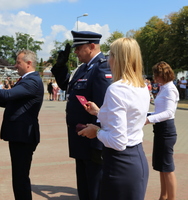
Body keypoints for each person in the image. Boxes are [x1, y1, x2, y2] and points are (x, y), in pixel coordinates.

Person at [78, 38, 149, 200]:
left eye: (111, 55)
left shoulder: (116, 89)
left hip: (120, 164)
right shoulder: (142, 86)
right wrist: (99, 112)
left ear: (119, 59)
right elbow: (129, 118)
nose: (108, 59)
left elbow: (118, 141)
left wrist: (96, 132)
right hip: (136, 159)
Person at [51, 31, 112, 200]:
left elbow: (102, 107)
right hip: (80, 138)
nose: (76, 52)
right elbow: (67, 86)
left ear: (92, 46)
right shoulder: (83, 69)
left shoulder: (102, 67)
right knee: (84, 188)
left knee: (94, 189)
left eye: (79, 48)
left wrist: (98, 144)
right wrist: (61, 66)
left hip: (92, 140)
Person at [0, 49, 44, 200]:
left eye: (18, 62)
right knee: (19, 177)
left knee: (20, 178)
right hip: (20, 135)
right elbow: (8, 101)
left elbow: (8, 95)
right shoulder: (27, 80)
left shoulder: (32, 80)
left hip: (24, 136)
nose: (15, 66)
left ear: (28, 63)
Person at [145, 61, 179, 200]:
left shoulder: (170, 89)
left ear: (163, 75)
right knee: (161, 167)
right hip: (160, 130)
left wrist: (148, 119)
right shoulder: (164, 88)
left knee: (167, 168)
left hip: (166, 130)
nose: (154, 78)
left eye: (156, 75)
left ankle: (171, 198)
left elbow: (169, 113)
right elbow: (160, 111)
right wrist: (146, 114)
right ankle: (163, 196)